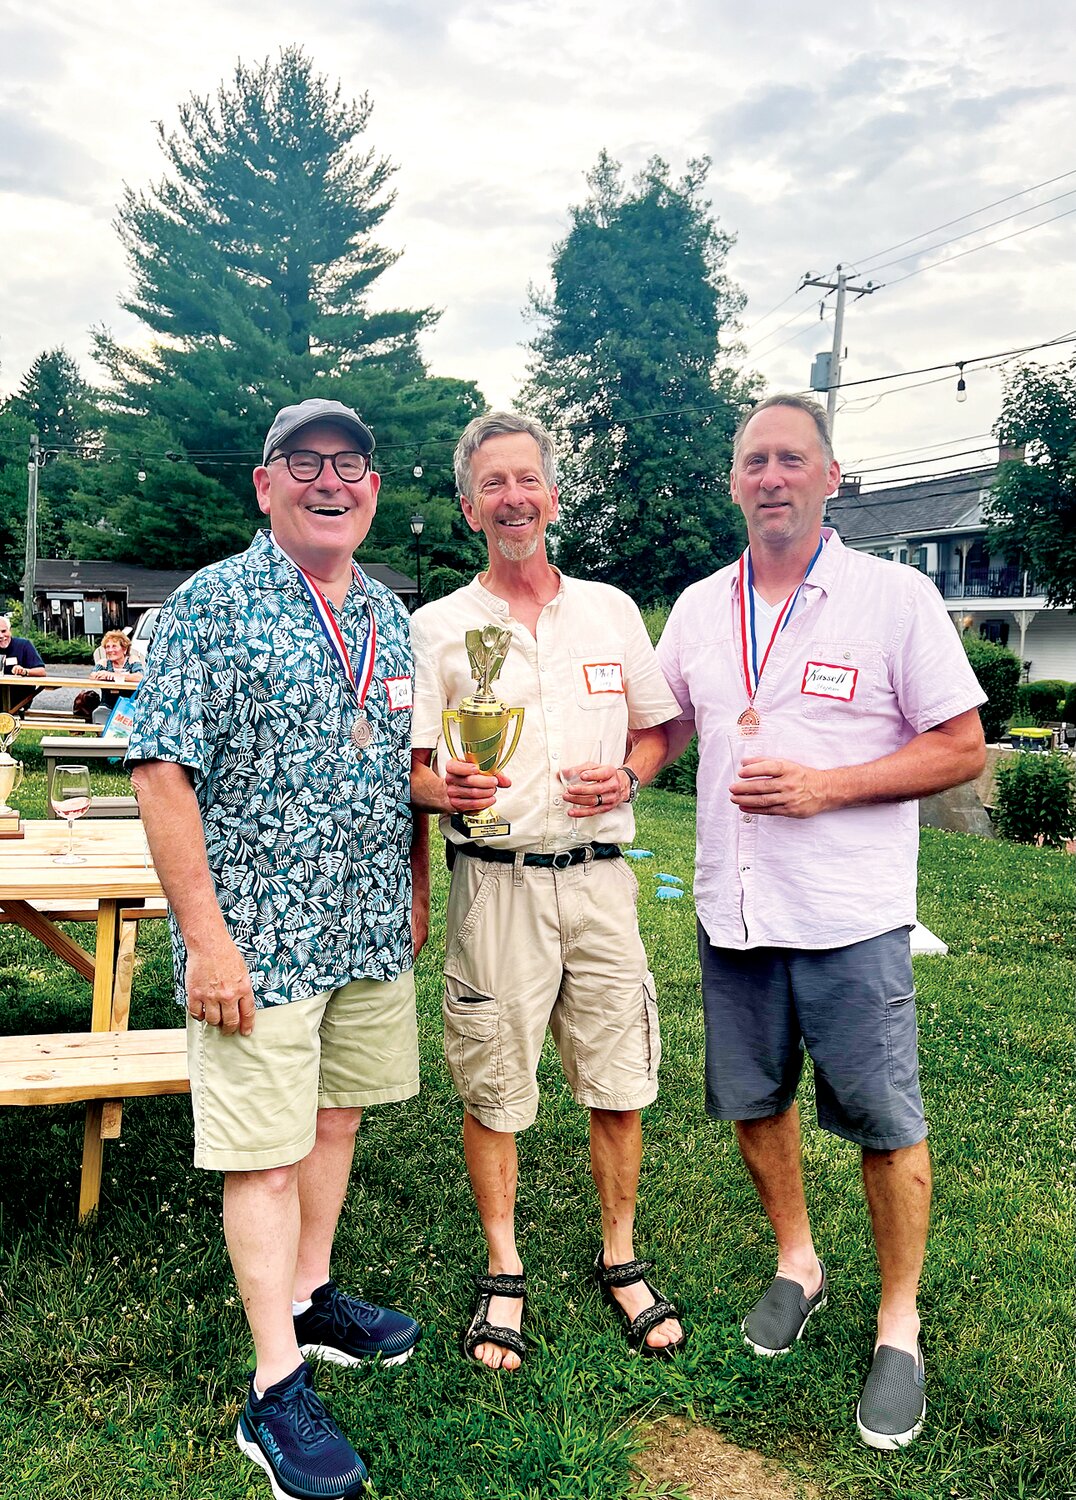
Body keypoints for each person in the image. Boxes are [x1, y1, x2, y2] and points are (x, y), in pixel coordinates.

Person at [656, 395, 987, 1451]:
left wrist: (827, 787)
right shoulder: (701, 606)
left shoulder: (894, 599)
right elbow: (661, 723)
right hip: (734, 909)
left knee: (883, 1124)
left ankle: (899, 1320)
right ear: (732, 482)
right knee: (754, 1105)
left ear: (829, 477)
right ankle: (796, 1261)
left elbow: (960, 747)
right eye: (751, 459)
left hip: (849, 917)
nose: (769, 477)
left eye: (789, 458)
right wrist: (599, 769)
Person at [126, 398, 426, 1500]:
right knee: (262, 1151)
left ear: (373, 490)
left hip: (361, 925)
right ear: (265, 484)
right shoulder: (210, 603)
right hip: (253, 936)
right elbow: (161, 772)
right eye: (305, 464)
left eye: (350, 464)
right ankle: (274, 1383)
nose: (329, 481)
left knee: (334, 1119)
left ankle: (312, 1293)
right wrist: (205, 941)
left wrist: (414, 883)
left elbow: (387, 760)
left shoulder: (390, 616)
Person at [410, 411, 686, 1372]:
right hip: (496, 885)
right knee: (494, 1083)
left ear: (552, 497)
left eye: (528, 480)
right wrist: (444, 787)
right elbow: (410, 769)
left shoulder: (609, 610)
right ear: (469, 505)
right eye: (494, 483)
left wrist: (634, 775)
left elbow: (660, 727)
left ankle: (620, 1254)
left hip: (602, 881)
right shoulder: (437, 629)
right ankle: (503, 1266)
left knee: (620, 1076)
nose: (514, 498)